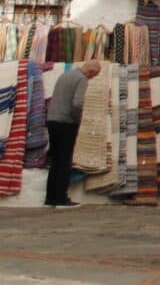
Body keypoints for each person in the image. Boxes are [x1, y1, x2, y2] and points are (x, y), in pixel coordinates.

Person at [44, 60, 100, 208]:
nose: (91, 78)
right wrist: (77, 119)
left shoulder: (65, 75)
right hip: (66, 122)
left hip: (52, 120)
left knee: (56, 159)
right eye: (94, 76)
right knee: (64, 160)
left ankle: (50, 197)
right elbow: (77, 103)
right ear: (91, 72)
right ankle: (61, 197)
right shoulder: (82, 79)